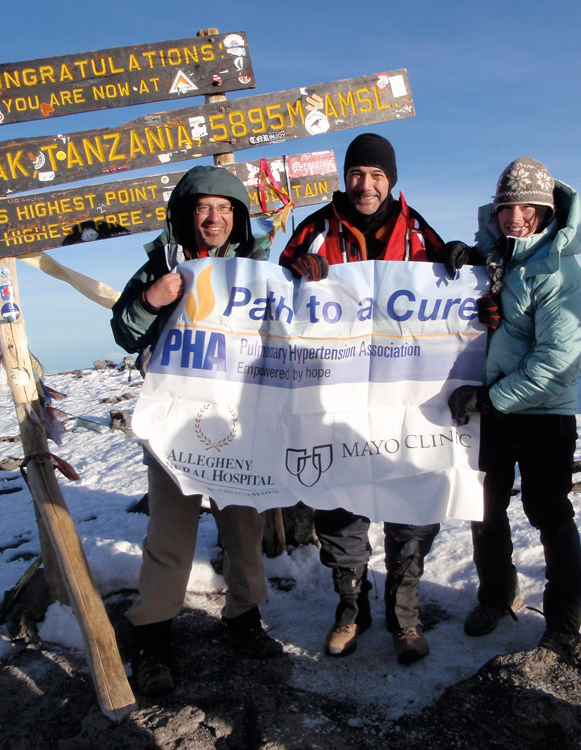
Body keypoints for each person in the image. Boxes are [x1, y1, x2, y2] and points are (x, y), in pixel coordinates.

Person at [279, 132, 452, 664]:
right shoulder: (314, 229)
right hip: (337, 395)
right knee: (340, 503)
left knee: (409, 502)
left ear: (391, 180)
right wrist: (295, 274)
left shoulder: (418, 232)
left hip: (405, 397)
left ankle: (405, 615)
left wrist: (460, 265)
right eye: (357, 173)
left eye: (377, 175)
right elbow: (276, 288)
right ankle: (351, 610)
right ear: (344, 177)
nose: (366, 184)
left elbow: (454, 294)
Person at [111, 165, 282, 697]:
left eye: (226, 208)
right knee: (170, 530)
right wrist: (150, 302)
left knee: (243, 525)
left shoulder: (257, 269)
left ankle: (243, 616)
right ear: (187, 215)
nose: (215, 218)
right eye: (204, 207)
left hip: (240, 420)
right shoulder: (161, 267)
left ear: (238, 218)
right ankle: (153, 635)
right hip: (174, 422)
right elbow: (123, 331)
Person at [448, 156, 581, 648]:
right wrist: (456, 266)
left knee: (548, 509)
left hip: (542, 413)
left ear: (545, 210)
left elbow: (558, 360)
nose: (514, 216)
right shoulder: (497, 256)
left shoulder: (559, 272)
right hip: (495, 409)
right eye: (506, 205)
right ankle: (495, 596)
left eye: (526, 207)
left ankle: (563, 620)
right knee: (485, 508)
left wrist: (492, 398)